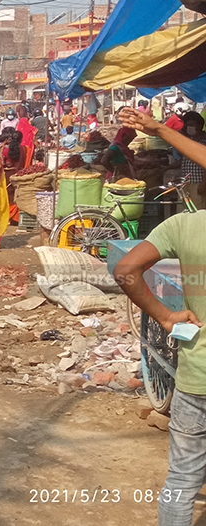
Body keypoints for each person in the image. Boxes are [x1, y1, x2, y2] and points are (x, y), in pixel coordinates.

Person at [114, 109, 206, 526]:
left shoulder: (183, 226)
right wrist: (159, 129)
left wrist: (167, 318)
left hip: (197, 376)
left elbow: (125, 270)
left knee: (183, 479)